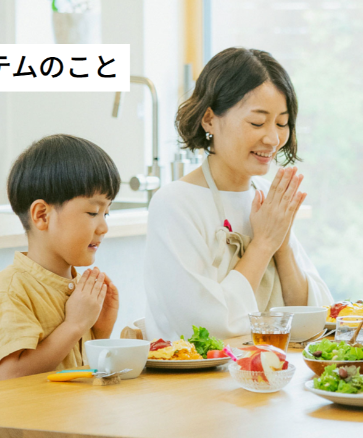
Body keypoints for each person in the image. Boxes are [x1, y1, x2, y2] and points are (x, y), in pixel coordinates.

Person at [142, 47, 334, 340]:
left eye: (282, 123)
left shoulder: (267, 196)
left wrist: (280, 244)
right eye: (257, 122)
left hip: (270, 375)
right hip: (193, 383)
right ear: (209, 119)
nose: (273, 138)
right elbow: (205, 328)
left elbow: (315, 315)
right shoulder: (175, 204)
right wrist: (264, 243)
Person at [0, 135, 121, 384]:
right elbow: (11, 377)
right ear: (42, 215)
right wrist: (75, 325)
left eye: (107, 212)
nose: (103, 227)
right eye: (93, 212)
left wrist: (99, 329)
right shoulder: (9, 290)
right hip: (19, 422)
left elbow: (77, 373)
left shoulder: (79, 287)